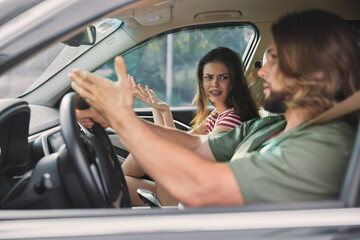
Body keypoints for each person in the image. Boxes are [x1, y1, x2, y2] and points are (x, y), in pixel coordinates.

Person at [69, 9, 360, 207]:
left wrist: (124, 120)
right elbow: (196, 145)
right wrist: (113, 117)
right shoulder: (267, 126)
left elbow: (204, 187)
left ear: (310, 70)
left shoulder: (327, 145)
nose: (261, 72)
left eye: (274, 59)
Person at [130, 47, 259, 135]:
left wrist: (165, 111)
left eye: (223, 77)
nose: (214, 84)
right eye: (208, 77)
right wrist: (157, 108)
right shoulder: (216, 115)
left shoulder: (230, 120)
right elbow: (182, 141)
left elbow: (178, 150)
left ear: (234, 81)